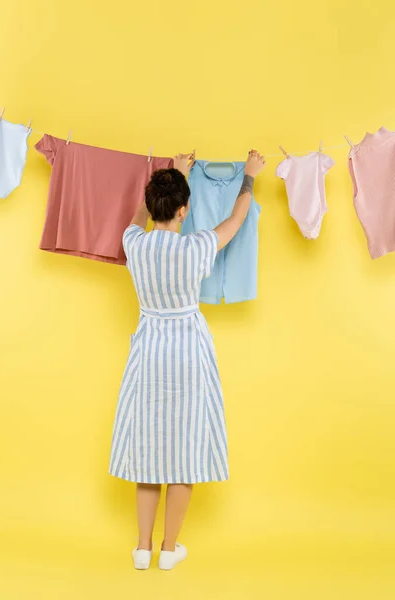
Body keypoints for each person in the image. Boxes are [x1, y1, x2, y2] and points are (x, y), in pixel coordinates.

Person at [109, 149, 266, 570]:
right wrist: (249, 176)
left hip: (149, 352)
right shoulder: (197, 248)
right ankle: (168, 548)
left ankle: (142, 547)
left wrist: (174, 173)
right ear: (184, 210)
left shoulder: (134, 245)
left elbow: (134, 219)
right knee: (185, 449)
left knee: (148, 449)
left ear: (153, 204)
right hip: (188, 353)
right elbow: (235, 221)